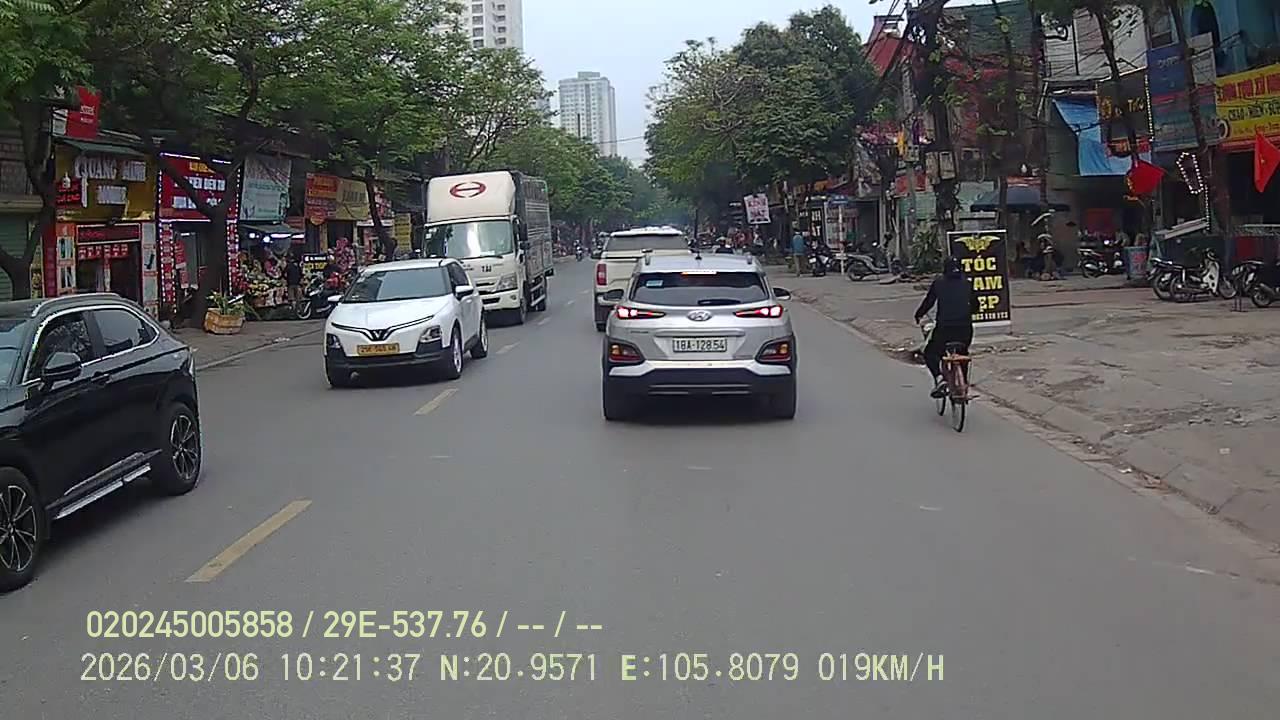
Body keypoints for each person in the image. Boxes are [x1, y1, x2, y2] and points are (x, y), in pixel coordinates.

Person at [914, 256, 980, 398]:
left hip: (944, 329)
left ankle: (940, 378)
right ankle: (964, 383)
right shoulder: (968, 283)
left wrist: (919, 315)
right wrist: (969, 314)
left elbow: (928, 302)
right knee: (962, 352)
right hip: (965, 329)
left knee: (930, 353)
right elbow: (976, 305)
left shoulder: (938, 283)